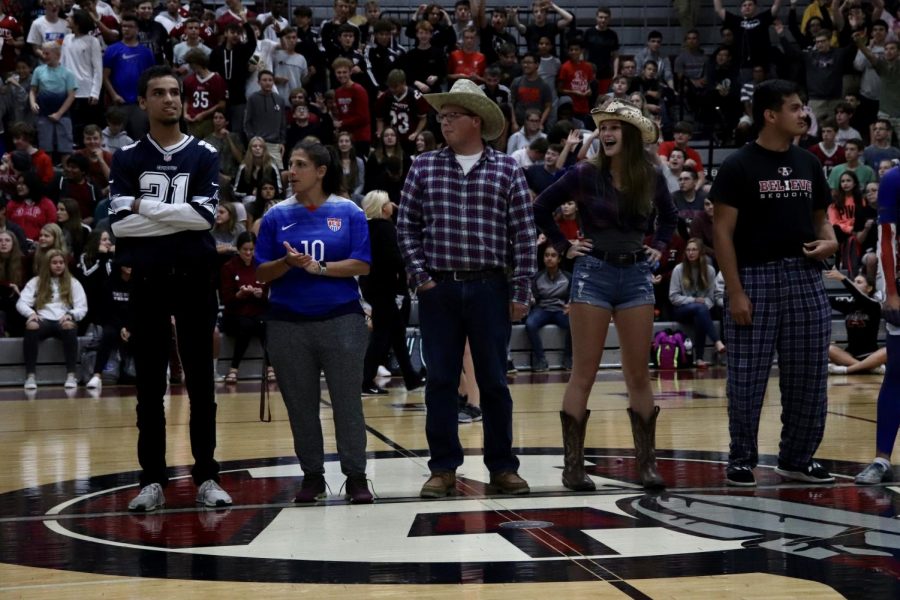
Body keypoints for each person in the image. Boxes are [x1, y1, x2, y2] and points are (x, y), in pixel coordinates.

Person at [397, 79, 537, 498]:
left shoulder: (507, 168)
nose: (444, 123)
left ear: (476, 120)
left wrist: (521, 292)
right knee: (439, 380)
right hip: (438, 288)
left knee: (494, 380)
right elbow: (406, 227)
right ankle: (442, 468)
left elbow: (524, 236)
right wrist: (422, 278)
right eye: (441, 117)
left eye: (452, 116)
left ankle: (502, 467)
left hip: (490, 287)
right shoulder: (423, 166)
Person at [533, 98, 677, 491]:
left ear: (629, 134)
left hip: (635, 274)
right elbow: (541, 207)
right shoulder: (583, 172)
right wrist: (564, 247)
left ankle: (646, 465)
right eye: (604, 127)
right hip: (592, 273)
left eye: (615, 127)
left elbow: (671, 215)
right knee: (584, 372)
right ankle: (573, 467)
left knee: (638, 375)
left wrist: (660, 246)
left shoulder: (649, 173)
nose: (607, 133)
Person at [109, 66, 232, 512]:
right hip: (147, 280)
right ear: (142, 102)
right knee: (149, 386)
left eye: (175, 92)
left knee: (202, 383)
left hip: (196, 278)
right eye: (159, 93)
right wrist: (168, 213)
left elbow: (204, 218)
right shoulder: (126, 157)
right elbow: (120, 227)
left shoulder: (204, 153)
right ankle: (152, 480)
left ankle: (207, 476)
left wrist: (142, 206)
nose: (169, 100)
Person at [710, 79, 838, 488]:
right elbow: (722, 234)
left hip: (804, 276)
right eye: (795, 107)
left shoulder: (809, 163)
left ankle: (797, 458)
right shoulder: (738, 166)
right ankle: (742, 458)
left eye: (803, 106)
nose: (804, 114)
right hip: (756, 277)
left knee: (809, 376)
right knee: (746, 377)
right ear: (770, 115)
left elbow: (821, 218)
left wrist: (831, 240)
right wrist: (735, 291)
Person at [255, 139, 374, 504]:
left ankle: (356, 476)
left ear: (321, 171)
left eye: (301, 164)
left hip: (341, 319)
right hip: (287, 323)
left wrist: (318, 268)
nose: (292, 172)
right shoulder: (276, 216)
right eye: (291, 164)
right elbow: (261, 273)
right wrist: (287, 264)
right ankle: (312, 476)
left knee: (347, 402)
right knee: (300, 404)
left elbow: (362, 264)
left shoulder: (350, 212)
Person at [855, 163, 900, 485]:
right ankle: (881, 459)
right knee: (897, 373)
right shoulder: (894, 179)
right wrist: (892, 294)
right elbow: (887, 239)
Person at [359, 190, 423, 395]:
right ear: (382, 207)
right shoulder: (385, 228)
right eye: (388, 202)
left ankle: (411, 377)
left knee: (396, 333)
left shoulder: (367, 227)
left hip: (371, 284)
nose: (392, 205)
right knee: (382, 335)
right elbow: (394, 259)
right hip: (384, 287)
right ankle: (365, 380)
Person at [16, 249, 87, 389]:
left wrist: (71, 314)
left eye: (61, 262)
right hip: (43, 319)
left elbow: (82, 307)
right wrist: (30, 314)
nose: (58, 265)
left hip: (62, 319)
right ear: (47, 264)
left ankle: (71, 375)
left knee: (69, 326)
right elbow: (21, 302)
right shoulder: (36, 281)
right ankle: (30, 376)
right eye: (54, 263)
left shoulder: (73, 282)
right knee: (31, 326)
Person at [220, 231, 269, 384]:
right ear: (238, 249)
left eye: (251, 250)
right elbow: (226, 298)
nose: (248, 253)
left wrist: (262, 294)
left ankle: (268, 366)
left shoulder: (262, 265)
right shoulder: (229, 267)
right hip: (235, 314)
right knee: (247, 324)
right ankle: (235, 367)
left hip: (257, 312)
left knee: (263, 323)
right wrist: (239, 295)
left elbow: (270, 293)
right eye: (244, 250)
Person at [668, 238, 726, 368]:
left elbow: (711, 298)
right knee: (700, 308)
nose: (690, 253)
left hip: (702, 310)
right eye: (688, 250)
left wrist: (702, 304)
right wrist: (693, 300)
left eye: (694, 250)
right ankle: (717, 341)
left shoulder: (709, 270)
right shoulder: (679, 269)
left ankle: (699, 359)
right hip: (681, 309)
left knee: (700, 313)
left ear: (700, 252)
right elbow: (673, 297)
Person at [824, 269, 885, 375]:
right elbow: (825, 299)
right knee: (829, 348)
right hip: (850, 355)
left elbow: (860, 296)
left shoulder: (874, 305)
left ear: (869, 288)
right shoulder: (849, 304)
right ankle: (868, 368)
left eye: (859, 282)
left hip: (870, 354)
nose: (854, 284)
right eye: (854, 281)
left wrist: (844, 279)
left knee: (887, 351)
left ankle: (846, 370)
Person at [526, 245, 571, 372]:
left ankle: (568, 357)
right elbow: (535, 298)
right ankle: (540, 359)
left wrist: (569, 305)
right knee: (530, 324)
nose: (549, 258)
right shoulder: (537, 277)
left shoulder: (567, 277)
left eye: (553, 255)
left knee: (574, 324)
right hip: (542, 309)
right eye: (546, 255)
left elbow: (571, 298)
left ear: (559, 259)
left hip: (560, 309)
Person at [0, 231, 26, 337]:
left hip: (16, 299)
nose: (3, 243)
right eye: (0, 241)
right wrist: (8, 285)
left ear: (13, 243)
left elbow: (27, 285)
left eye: (7, 240)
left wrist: (17, 288)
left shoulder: (23, 260)